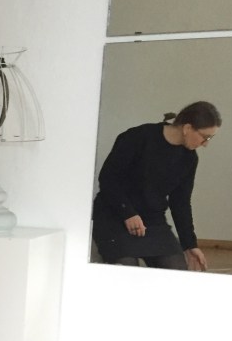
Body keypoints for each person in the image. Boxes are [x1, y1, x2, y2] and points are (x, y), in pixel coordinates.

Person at [92, 101, 221, 271]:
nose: (205, 143)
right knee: (126, 269)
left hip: (152, 222)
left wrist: (190, 244)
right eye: (206, 137)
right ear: (187, 128)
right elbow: (108, 178)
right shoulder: (138, 137)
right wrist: (128, 213)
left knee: (176, 271)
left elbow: (180, 203)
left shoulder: (189, 158)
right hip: (113, 214)